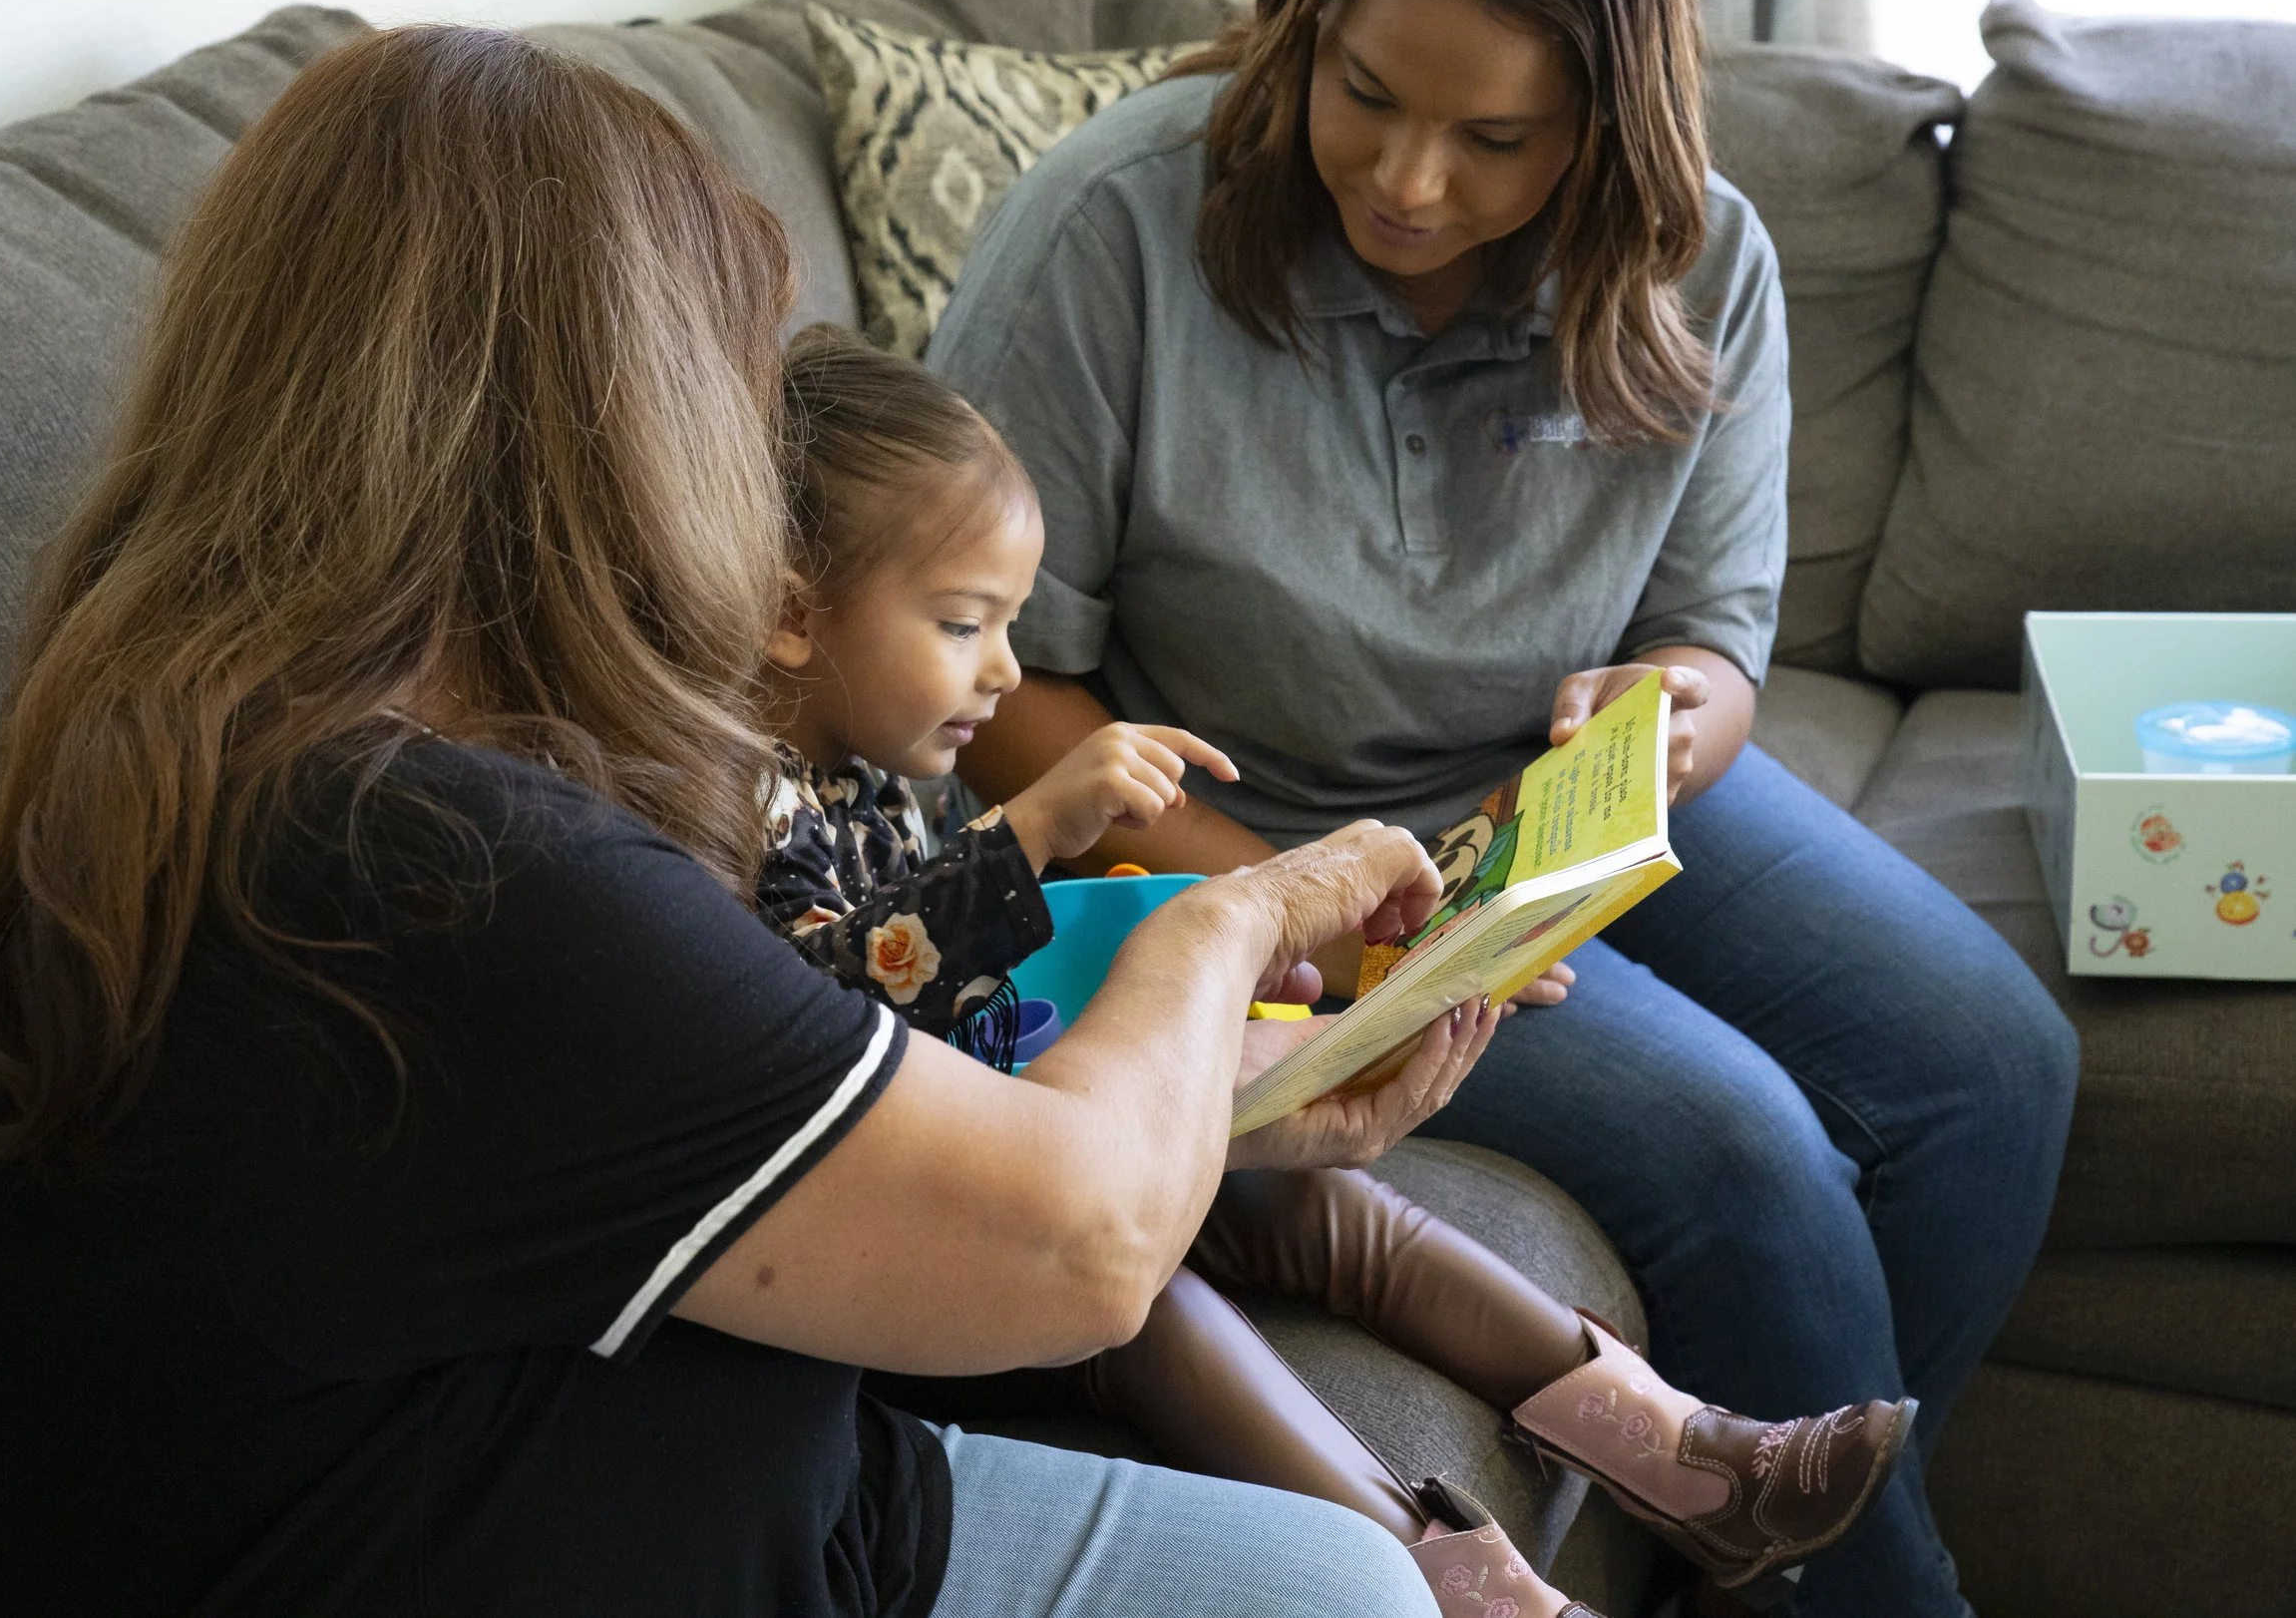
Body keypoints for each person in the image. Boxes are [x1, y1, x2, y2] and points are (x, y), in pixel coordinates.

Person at [0, 25, 1490, 1618]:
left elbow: (770, 1105)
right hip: (640, 1526)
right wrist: (1231, 921)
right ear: (607, 427)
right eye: (722, 390)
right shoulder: (424, 864)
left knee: (1345, 1581)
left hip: (762, 1481)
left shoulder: (240, 753)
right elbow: (1081, 1244)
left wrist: (1231, 1088)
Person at [926, 0, 2080, 1614]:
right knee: (1749, 1163)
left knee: (1997, 1066)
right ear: (1304, 26)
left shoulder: (1708, 260)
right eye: (1368, 97)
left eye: (1494, 136)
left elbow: (1713, 638)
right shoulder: (1112, 226)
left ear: (1610, 132)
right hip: (1246, 822)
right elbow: (1002, 684)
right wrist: (1277, 905)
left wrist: (1673, 717)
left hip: (1554, 795)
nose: (1409, 180)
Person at [756, 325, 1913, 1615]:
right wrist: (1024, 836)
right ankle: (1467, 1585)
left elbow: (948, 974)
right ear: (796, 615)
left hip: (1010, 1132)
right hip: (910, 1248)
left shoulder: (865, 760)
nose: (1009, 674)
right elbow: (826, 1007)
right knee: (1152, 1310)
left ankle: (1684, 1451)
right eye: (963, 623)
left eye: (1009, 624)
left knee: (1313, 1208)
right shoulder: (739, 804)